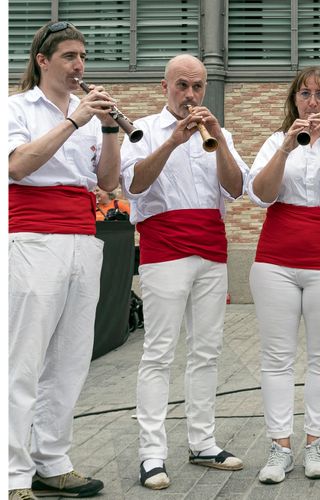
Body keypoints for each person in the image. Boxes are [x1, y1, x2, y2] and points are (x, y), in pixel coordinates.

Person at [119, 54, 250, 489]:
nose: (190, 95)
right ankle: (152, 454)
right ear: (165, 87)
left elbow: (235, 189)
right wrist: (174, 140)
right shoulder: (141, 129)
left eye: (197, 87)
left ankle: (202, 442)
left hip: (211, 248)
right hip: (165, 247)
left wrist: (220, 141)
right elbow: (133, 185)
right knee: (159, 352)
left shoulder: (219, 131)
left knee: (206, 351)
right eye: (182, 86)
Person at [8, 21, 120, 499]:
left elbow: (109, 182)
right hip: (31, 237)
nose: (80, 66)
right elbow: (16, 165)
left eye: (83, 56)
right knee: (22, 360)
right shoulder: (15, 107)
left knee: (70, 361)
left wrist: (111, 128)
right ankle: (11, 475)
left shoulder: (88, 113)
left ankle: (52, 461)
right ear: (43, 61)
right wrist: (75, 121)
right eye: (70, 56)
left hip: (81, 236)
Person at [248, 66, 320, 485]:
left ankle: (316, 442)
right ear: (294, 100)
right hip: (275, 259)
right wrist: (284, 148)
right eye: (305, 94)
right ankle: (279, 447)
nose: (312, 102)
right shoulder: (272, 142)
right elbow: (261, 195)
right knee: (277, 357)